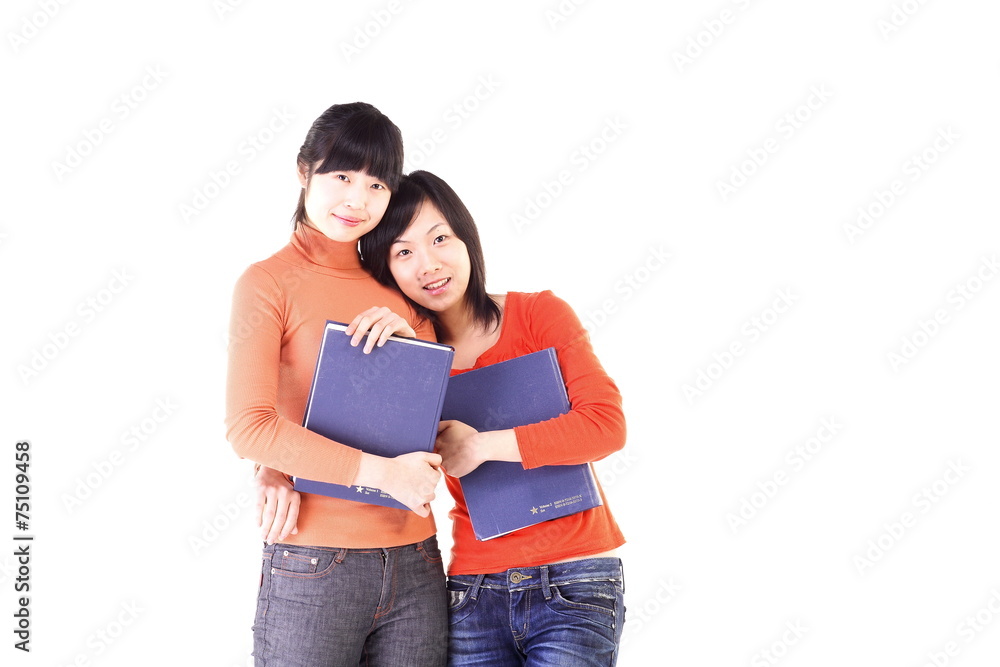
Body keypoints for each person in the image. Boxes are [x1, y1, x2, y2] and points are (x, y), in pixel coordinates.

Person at [359, 170, 628, 666]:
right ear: (386, 270)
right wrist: (406, 361)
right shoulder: (406, 359)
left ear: (467, 238)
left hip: (573, 581)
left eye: (440, 238)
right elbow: (374, 468)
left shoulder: (539, 314)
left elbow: (605, 425)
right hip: (472, 591)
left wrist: (481, 446)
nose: (429, 264)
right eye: (403, 252)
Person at [226, 103, 448, 667]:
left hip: (417, 562)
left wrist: (411, 343)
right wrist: (275, 464)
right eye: (342, 176)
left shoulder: (401, 287)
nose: (357, 200)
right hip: (314, 560)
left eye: (377, 185)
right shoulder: (267, 283)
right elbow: (249, 428)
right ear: (304, 171)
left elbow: (437, 428)